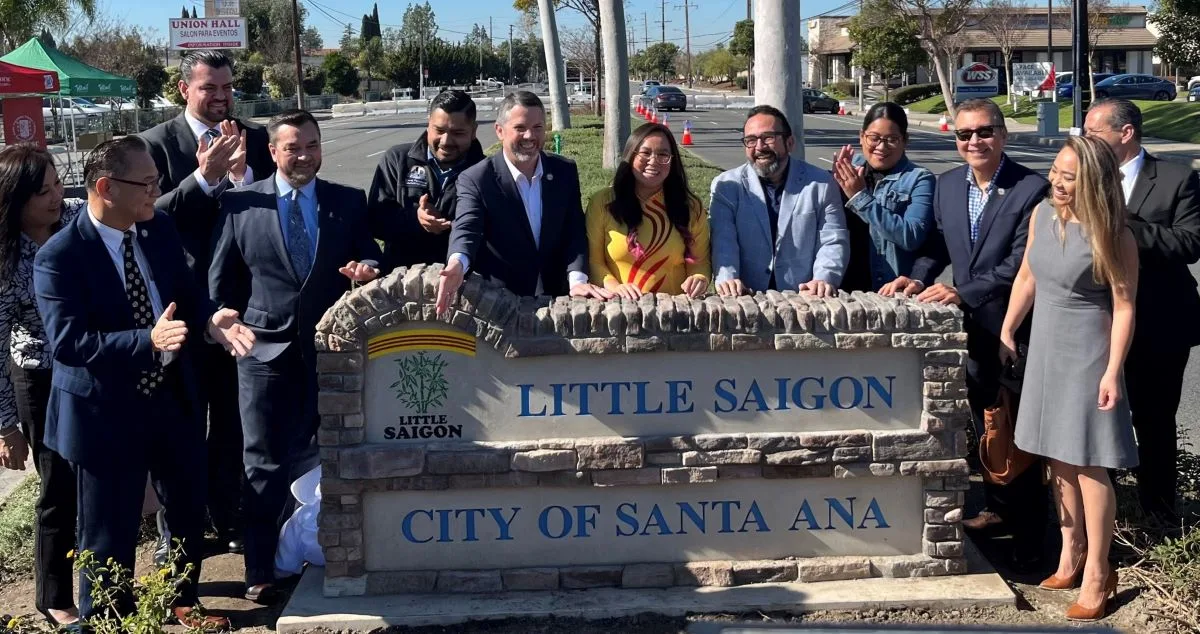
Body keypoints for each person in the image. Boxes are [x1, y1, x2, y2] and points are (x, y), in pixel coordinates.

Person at [32, 136, 254, 628]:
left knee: (186, 508)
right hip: (105, 411)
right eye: (147, 183)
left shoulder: (158, 229)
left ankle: (181, 599)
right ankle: (111, 617)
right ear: (106, 187)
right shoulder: (60, 257)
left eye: (157, 181)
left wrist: (211, 321)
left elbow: (186, 294)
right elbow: (70, 345)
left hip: (172, 399)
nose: (157, 191)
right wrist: (146, 340)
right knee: (107, 527)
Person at [210, 109, 382, 603]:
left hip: (334, 354)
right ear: (273, 151)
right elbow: (221, 284)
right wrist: (225, 317)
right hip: (265, 357)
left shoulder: (346, 201)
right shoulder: (241, 205)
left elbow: (372, 253)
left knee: (340, 456)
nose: (304, 155)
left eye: (312, 145)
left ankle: (343, 553)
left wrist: (368, 268)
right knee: (263, 464)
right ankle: (260, 569)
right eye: (294, 147)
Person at [882, 98, 1050, 570]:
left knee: (1021, 436)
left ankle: (1033, 542)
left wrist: (962, 291)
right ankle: (997, 514)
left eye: (984, 132)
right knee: (986, 426)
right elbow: (935, 245)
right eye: (964, 135)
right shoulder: (948, 185)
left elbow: (1022, 263)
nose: (974, 141)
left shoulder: (1031, 188)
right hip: (971, 332)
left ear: (1003, 134)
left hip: (1017, 328)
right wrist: (916, 278)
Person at [140, 49, 273, 557]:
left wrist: (242, 182)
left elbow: (274, 205)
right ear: (183, 90)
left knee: (235, 425)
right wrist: (203, 180)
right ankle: (178, 536)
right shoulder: (156, 145)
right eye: (208, 89)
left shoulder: (257, 139)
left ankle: (228, 515)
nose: (220, 98)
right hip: (183, 310)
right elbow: (149, 217)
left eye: (226, 88)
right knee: (183, 428)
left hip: (243, 307)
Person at [1000, 135, 1139, 621]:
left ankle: (1100, 572)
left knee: (1087, 461)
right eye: (1056, 172)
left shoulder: (1115, 233)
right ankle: (1070, 553)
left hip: (1088, 351)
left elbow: (1124, 307)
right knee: (1055, 454)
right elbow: (1027, 277)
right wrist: (1009, 328)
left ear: (1094, 181)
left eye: (1070, 176)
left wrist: (1112, 372)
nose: (1057, 182)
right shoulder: (1042, 216)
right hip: (1045, 345)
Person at [1084, 99, 1200, 523]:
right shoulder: (1081, 177)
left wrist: (1124, 225)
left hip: (1159, 323)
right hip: (1097, 324)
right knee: (1101, 420)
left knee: (1154, 423)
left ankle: (1159, 516)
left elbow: (1190, 243)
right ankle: (1107, 518)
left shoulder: (1176, 179)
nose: (1086, 140)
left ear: (1126, 132)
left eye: (1094, 132)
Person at [0, 144, 86, 629]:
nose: (57, 197)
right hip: (39, 378)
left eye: (57, 184)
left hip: (90, 370)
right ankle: (53, 595)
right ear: (15, 199)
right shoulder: (7, 261)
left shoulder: (76, 218)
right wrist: (6, 426)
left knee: (99, 481)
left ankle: (104, 580)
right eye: (43, 192)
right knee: (58, 488)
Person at [436, 91, 610, 312]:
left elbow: (573, 230)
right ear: (500, 131)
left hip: (558, 302)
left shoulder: (564, 171)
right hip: (501, 305)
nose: (530, 136)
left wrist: (577, 280)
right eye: (520, 128)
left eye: (538, 127)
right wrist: (457, 264)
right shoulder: (477, 179)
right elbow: (467, 228)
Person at [709, 105, 848, 298]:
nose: (759, 147)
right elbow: (724, 241)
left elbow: (833, 240)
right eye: (751, 140)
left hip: (804, 297)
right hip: (746, 296)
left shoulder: (821, 184)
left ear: (789, 142)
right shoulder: (726, 185)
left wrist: (824, 279)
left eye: (768, 138)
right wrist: (728, 279)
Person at [585, 122, 711, 299]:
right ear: (630, 156)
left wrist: (699, 278)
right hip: (616, 309)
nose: (654, 161)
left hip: (676, 313)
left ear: (672, 160)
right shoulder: (603, 203)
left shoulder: (690, 206)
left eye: (663, 154)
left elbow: (701, 261)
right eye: (645, 153)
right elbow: (594, 262)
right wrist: (615, 287)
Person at [368, 89, 485, 270]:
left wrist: (450, 225)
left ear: (473, 131)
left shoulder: (486, 172)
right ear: (428, 124)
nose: (446, 141)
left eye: (458, 133)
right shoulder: (397, 160)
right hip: (401, 285)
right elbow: (375, 221)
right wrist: (416, 219)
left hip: (464, 286)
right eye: (439, 130)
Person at [831, 102, 935, 292]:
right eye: (874, 138)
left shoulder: (919, 179)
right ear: (861, 137)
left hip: (888, 290)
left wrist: (860, 197)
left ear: (905, 141)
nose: (881, 146)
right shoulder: (848, 171)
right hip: (841, 289)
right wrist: (833, 183)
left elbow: (910, 236)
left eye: (892, 139)